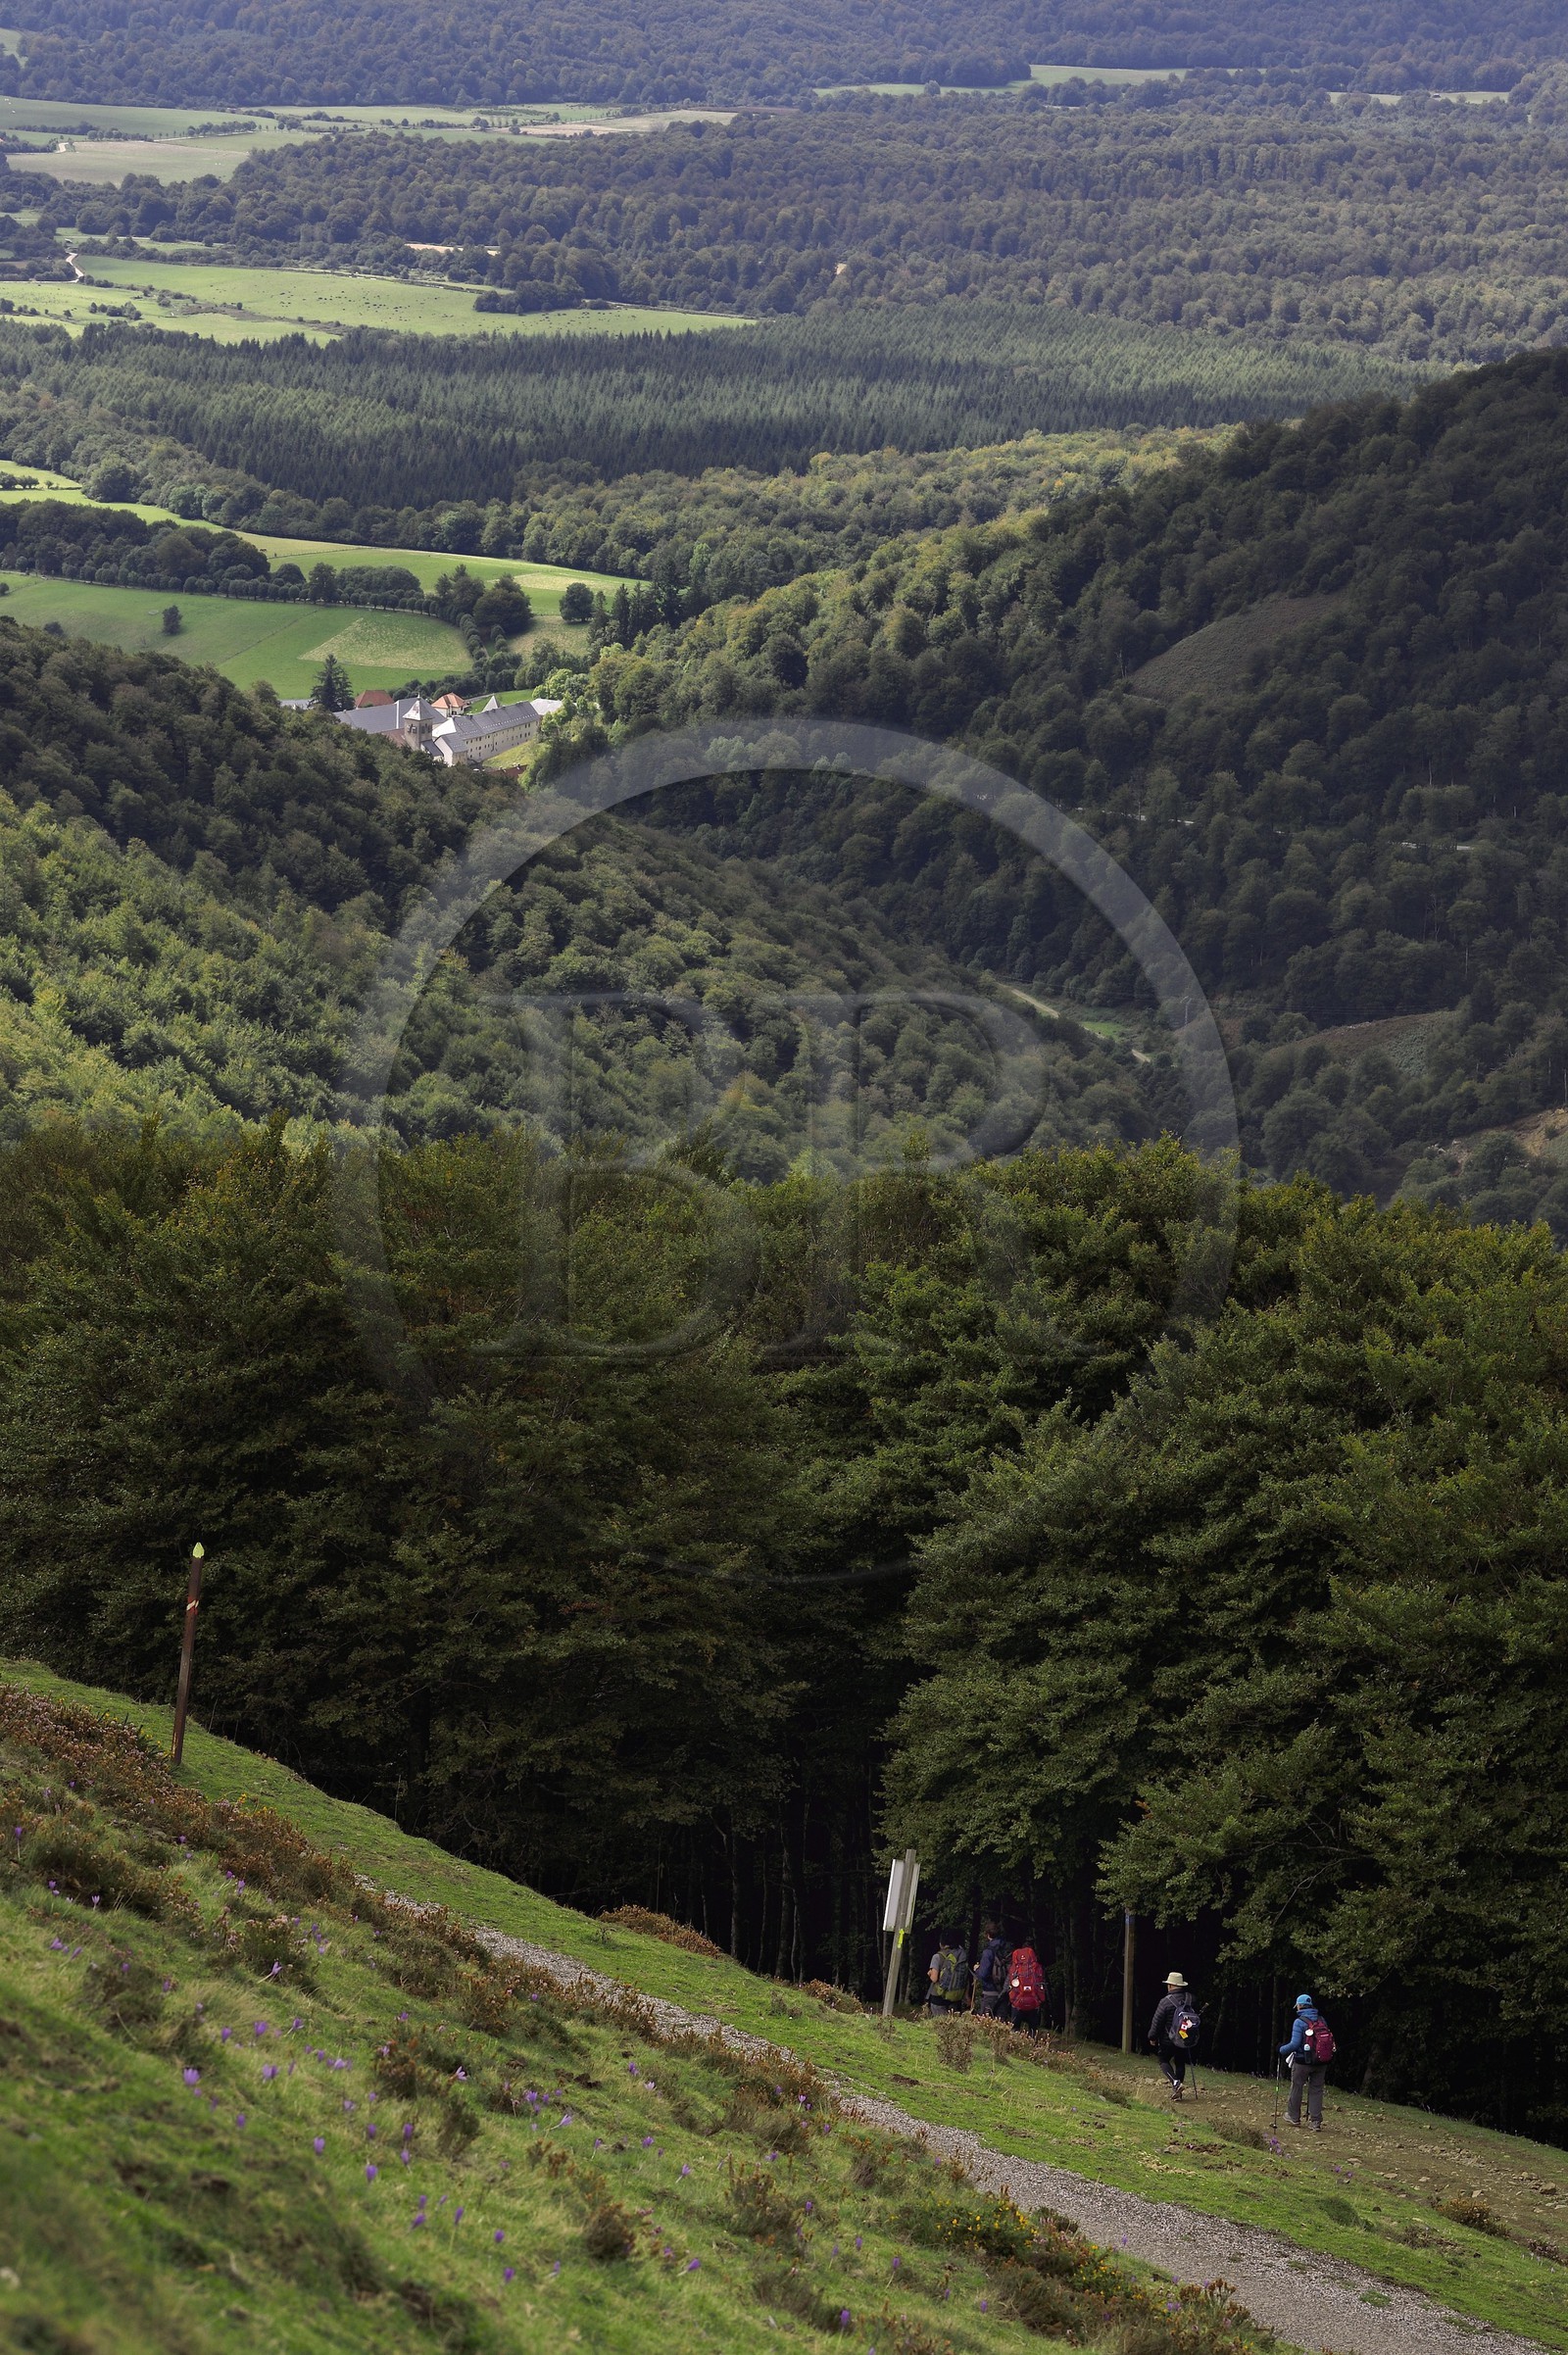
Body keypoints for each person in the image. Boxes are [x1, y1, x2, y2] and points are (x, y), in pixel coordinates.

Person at [1279, 1992, 1331, 2130]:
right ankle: (1315, 2122)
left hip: (1302, 2062)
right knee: (1316, 2090)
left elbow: (1294, 2045)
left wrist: (1281, 2049)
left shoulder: (1299, 2022)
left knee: (1297, 2087)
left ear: (1300, 2006)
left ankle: (1293, 2117)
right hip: (1321, 2062)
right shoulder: (1321, 2020)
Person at [1148, 1969, 1198, 2100]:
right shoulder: (1191, 1999)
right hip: (1185, 2038)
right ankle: (1178, 2092)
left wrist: (1152, 2037)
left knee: (1163, 2060)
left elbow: (1157, 2021)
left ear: (1170, 1986)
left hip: (1168, 2039)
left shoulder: (1165, 2002)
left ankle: (1176, 2083)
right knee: (1180, 2062)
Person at [1006, 1937, 1046, 2035]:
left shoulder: (1014, 1967)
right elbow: (1041, 1984)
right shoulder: (1037, 1967)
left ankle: (1014, 2047)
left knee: (1015, 2029)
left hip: (1017, 2004)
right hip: (1034, 2003)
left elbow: (1008, 1984)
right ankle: (1032, 2046)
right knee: (1033, 2030)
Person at [973, 1920, 1010, 2019]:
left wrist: (977, 1969)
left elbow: (983, 1974)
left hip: (990, 1992)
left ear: (987, 1934)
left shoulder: (988, 1951)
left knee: (985, 2025)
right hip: (1005, 1991)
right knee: (1001, 2024)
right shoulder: (1008, 1948)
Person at [926, 1933, 967, 2015]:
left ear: (941, 1943)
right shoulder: (960, 1955)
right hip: (955, 1996)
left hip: (938, 1996)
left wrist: (930, 1973)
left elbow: (934, 1978)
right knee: (952, 2025)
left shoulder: (937, 1956)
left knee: (939, 2024)